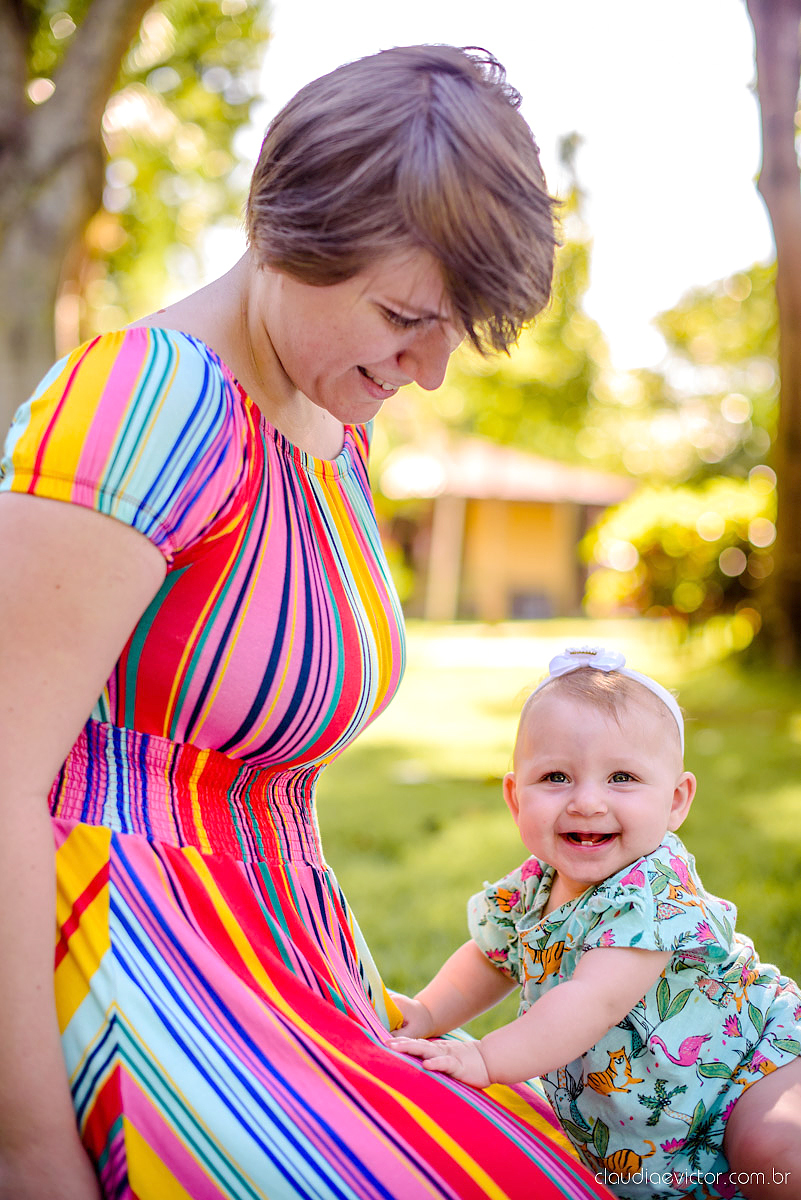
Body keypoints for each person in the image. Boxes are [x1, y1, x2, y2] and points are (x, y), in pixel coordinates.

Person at [0, 45, 614, 1200]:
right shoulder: (146, 400)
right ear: (287, 235)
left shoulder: (334, 430)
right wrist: (29, 1154)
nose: (428, 369)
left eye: (455, 330)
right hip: (127, 971)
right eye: (402, 317)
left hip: (280, 969)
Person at [392, 646, 801, 1198]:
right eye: (556, 776)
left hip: (748, 1071)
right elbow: (489, 960)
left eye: (622, 778)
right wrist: (426, 1010)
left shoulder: (655, 893)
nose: (587, 801)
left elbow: (591, 1002)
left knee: (776, 1156)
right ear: (515, 797)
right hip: (653, 1116)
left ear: (676, 801)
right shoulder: (534, 886)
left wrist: (485, 1057)